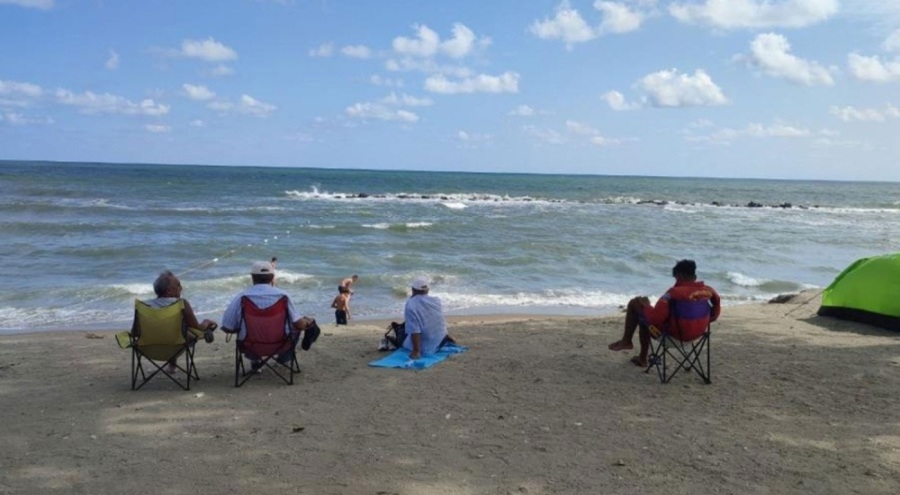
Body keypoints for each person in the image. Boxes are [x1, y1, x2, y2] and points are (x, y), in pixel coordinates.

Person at [608, 259, 721, 367]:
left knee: (636, 305)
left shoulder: (673, 293)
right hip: (696, 337)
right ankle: (632, 348)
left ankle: (631, 346)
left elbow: (654, 319)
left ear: (679, 276)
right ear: (695, 277)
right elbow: (714, 316)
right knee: (645, 315)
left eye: (676, 278)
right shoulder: (708, 291)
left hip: (671, 338)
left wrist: (646, 305)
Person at [221, 261, 318, 368]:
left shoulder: (242, 297)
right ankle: (283, 359)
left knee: (246, 329)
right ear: (272, 277)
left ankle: (255, 361)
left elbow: (227, 327)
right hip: (281, 344)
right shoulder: (283, 296)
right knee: (296, 327)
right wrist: (308, 322)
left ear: (253, 277)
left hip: (250, 345)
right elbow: (298, 323)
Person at [140, 270, 218, 372]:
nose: (181, 288)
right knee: (183, 331)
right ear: (169, 291)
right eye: (178, 285)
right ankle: (172, 364)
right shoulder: (181, 303)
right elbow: (197, 328)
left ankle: (172, 365)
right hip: (175, 346)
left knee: (172, 329)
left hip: (148, 349)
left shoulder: (144, 306)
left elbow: (135, 332)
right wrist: (206, 322)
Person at [402, 275, 456, 359]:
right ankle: (446, 337)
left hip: (427, 347)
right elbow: (439, 320)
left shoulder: (411, 305)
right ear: (427, 290)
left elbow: (415, 330)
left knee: (402, 334)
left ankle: (416, 349)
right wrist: (446, 335)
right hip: (440, 340)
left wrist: (416, 351)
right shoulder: (436, 300)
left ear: (412, 290)